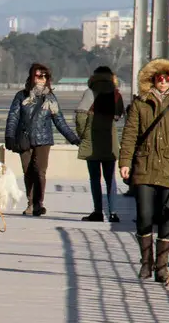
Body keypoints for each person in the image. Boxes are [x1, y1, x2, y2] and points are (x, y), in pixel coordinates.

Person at [120, 59, 169, 282]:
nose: (163, 81)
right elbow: (130, 134)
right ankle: (146, 262)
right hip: (143, 166)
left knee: (167, 218)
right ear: (152, 79)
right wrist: (125, 162)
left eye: (167, 77)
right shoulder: (140, 103)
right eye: (159, 77)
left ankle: (161, 266)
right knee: (144, 216)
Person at [4, 63, 80, 216]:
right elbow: (13, 118)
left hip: (43, 140)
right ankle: (30, 203)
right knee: (28, 172)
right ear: (32, 77)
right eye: (39, 76)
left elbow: (60, 121)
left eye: (45, 76)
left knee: (40, 171)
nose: (42, 79)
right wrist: (9, 137)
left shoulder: (50, 98)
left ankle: (38, 204)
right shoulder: (21, 96)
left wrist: (73, 139)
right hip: (24, 140)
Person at [75, 66, 125, 223]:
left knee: (95, 178)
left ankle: (98, 211)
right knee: (111, 178)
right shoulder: (116, 94)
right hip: (110, 141)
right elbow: (119, 117)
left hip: (92, 141)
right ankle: (113, 212)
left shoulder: (90, 92)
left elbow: (80, 117)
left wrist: (83, 134)